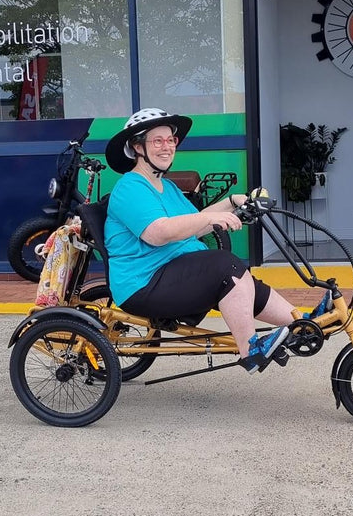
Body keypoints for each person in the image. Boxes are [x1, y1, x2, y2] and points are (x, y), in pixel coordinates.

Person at [103, 108, 328, 373]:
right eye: (157, 141)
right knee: (225, 267)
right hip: (143, 284)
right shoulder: (131, 187)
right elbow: (158, 232)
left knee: (243, 284)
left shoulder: (167, 186)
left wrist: (232, 202)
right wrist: (210, 221)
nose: (167, 147)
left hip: (170, 273)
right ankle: (250, 350)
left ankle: (301, 323)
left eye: (170, 140)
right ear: (136, 146)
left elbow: (192, 225)